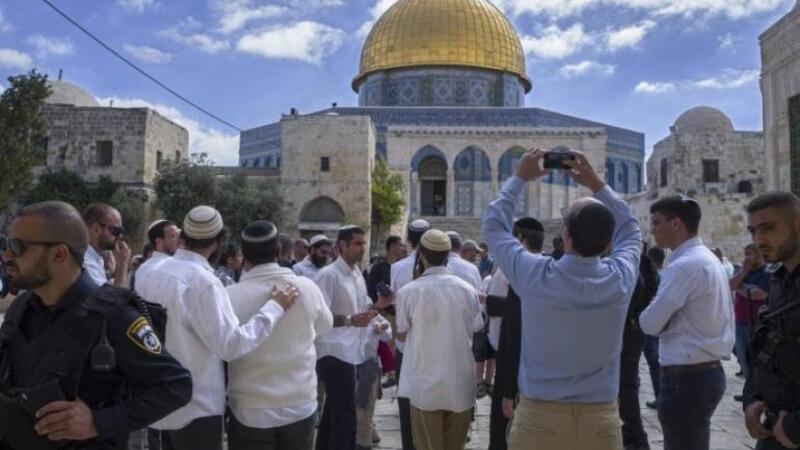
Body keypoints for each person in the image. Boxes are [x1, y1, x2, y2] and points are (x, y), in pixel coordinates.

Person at [0, 201, 192, 449]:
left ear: (59, 254)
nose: (6, 256)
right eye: (7, 245)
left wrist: (98, 422)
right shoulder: (22, 307)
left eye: (18, 247)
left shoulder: (113, 316)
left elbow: (176, 385)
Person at [482, 148, 641, 450]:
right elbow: (631, 228)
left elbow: (493, 225)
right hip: (600, 424)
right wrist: (596, 183)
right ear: (607, 243)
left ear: (565, 236)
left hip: (540, 421)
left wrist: (519, 177)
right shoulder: (620, 279)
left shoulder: (533, 274)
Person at [136, 205, 299, 450]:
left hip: (156, 405)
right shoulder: (204, 283)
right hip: (195, 408)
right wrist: (274, 307)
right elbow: (230, 345)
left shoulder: (148, 271)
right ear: (220, 241)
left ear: (183, 237)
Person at [225, 221, 333, 450]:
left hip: (250, 409)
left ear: (244, 255)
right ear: (278, 250)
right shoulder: (306, 287)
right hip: (299, 404)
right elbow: (326, 326)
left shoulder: (229, 296)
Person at [639, 196, 735, 450]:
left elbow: (650, 324)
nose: (653, 229)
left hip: (686, 379)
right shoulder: (706, 258)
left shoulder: (685, 265)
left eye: (656, 222)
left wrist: (653, 312)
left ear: (676, 224)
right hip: (705, 373)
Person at [396, 229, 483, 450]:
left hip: (425, 385)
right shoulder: (467, 290)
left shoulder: (409, 292)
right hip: (460, 384)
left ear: (421, 255)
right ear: (448, 255)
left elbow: (401, 333)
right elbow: (477, 327)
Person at [314, 226, 393, 450]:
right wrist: (350, 320)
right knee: (346, 417)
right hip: (333, 352)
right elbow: (319, 316)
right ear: (342, 245)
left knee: (334, 412)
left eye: (363, 243)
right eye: (357, 243)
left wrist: (379, 307)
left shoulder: (357, 274)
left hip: (353, 352)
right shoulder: (328, 275)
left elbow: (362, 311)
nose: (362, 248)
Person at [743, 192, 800, 450]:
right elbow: (767, 346)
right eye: (753, 231)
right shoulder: (779, 279)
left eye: (768, 229)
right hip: (775, 428)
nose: (758, 240)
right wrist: (752, 399)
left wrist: (795, 428)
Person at [488, 217, 544, 450]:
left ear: (520, 238)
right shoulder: (550, 269)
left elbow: (511, 331)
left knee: (506, 433)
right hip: (541, 370)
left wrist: (508, 389)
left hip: (514, 366)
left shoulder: (516, 272)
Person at [390, 219, 431, 450]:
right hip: (432, 344)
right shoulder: (448, 270)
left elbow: (396, 305)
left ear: (409, 239)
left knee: (406, 402)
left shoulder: (397, 268)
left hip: (405, 344)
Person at [618, 249, 660, 450]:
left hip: (629, 331)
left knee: (626, 387)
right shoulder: (640, 263)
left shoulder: (630, 266)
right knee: (627, 386)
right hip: (633, 330)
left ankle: (635, 440)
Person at [366, 236, 403, 388]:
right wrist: (378, 307)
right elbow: (370, 287)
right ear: (392, 246)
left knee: (396, 342)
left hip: (398, 311)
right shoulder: (380, 267)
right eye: (400, 245)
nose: (402, 248)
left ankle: (395, 373)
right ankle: (391, 374)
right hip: (384, 311)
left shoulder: (400, 266)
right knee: (388, 342)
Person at [730, 244, 770, 383]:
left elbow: (759, 294)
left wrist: (739, 288)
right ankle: (749, 388)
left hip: (757, 324)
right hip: (740, 322)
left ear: (758, 254)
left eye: (749, 254)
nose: (746, 258)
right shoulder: (743, 271)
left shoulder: (767, 273)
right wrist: (744, 271)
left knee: (756, 360)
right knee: (742, 357)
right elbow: (731, 285)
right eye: (745, 254)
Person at [356, 313, 392, 450]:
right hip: (350, 365)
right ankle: (371, 435)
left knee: (364, 407)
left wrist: (383, 327)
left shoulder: (373, 314)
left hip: (369, 367)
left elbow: (387, 335)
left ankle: (364, 443)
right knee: (360, 408)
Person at [83, 203, 131, 287]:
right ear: (96, 229)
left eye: (121, 231)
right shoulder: (86, 262)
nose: (120, 236)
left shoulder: (96, 257)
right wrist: (123, 264)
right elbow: (113, 295)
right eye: (116, 230)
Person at [643, 246, 665, 410]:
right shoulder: (665, 275)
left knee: (654, 363)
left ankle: (660, 398)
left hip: (649, 325)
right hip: (659, 325)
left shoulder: (653, 275)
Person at [133, 219, 180, 292]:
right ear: (159, 242)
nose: (179, 240)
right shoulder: (173, 267)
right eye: (173, 236)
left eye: (179, 236)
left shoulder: (142, 269)